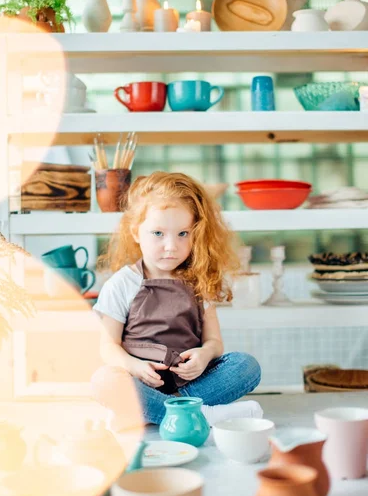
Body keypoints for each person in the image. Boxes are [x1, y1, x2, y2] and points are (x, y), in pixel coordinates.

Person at [91, 171, 262, 430]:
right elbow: (108, 347)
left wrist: (204, 356)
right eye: (158, 233)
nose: (171, 246)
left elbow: (214, 343)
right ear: (136, 232)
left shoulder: (199, 281)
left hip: (191, 382)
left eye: (183, 234)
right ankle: (202, 415)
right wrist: (135, 367)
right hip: (142, 380)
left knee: (247, 366)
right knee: (104, 379)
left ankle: (154, 411)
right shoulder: (121, 284)